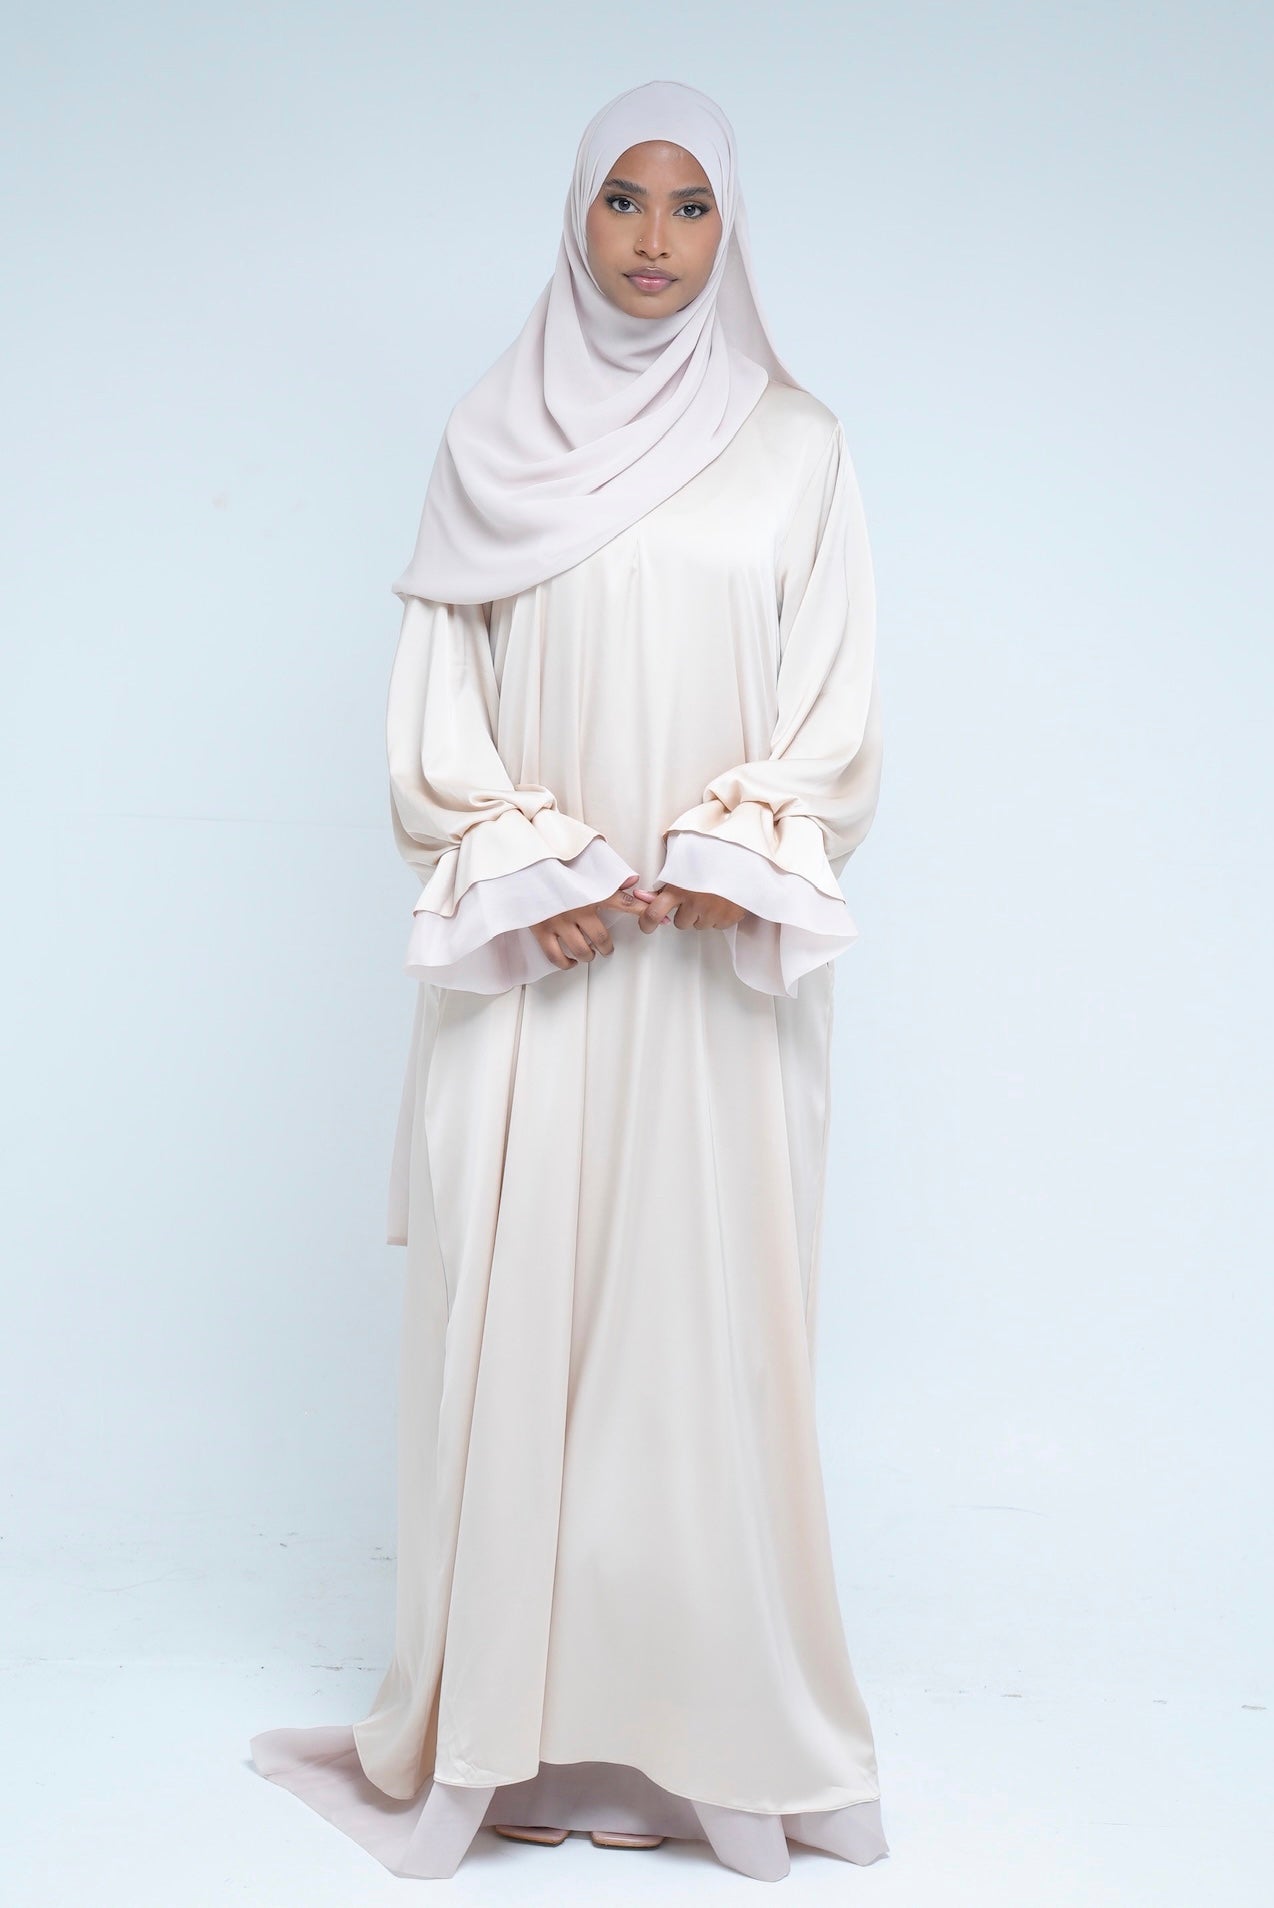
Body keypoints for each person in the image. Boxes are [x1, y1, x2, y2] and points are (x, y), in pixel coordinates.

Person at [248, 77, 888, 1885]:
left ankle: (716, 1746)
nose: (653, 241)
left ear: (730, 227)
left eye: (689, 207)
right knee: (511, 1319)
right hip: (536, 970)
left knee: (700, 1340)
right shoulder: (487, 438)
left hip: (711, 977)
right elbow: (435, 703)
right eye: (623, 200)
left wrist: (719, 855)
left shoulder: (798, 447)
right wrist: (531, 861)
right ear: (576, 217)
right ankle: (500, 1737)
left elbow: (834, 704)